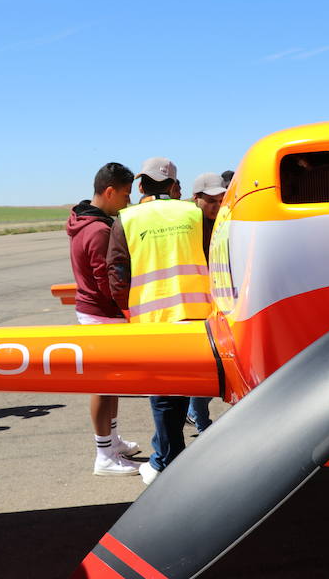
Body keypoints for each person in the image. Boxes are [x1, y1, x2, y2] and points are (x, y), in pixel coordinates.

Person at [107, 157, 212, 485]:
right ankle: (168, 456)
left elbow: (117, 273)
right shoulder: (194, 213)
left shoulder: (126, 218)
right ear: (172, 185)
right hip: (198, 315)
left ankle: (169, 461)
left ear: (140, 185)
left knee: (165, 394)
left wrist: (128, 308)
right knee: (187, 389)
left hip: (152, 319)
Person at [67, 163, 142, 476]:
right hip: (102, 315)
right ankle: (105, 456)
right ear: (109, 191)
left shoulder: (85, 222)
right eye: (125, 195)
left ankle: (111, 441)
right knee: (103, 383)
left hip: (94, 312)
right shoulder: (99, 230)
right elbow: (106, 282)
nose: (127, 201)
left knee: (111, 383)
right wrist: (129, 308)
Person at [186, 172, 227, 433]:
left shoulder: (224, 222)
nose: (216, 205)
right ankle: (202, 424)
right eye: (210, 200)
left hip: (221, 302)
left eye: (220, 200)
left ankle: (194, 412)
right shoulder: (189, 228)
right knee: (204, 368)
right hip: (196, 305)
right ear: (196, 199)